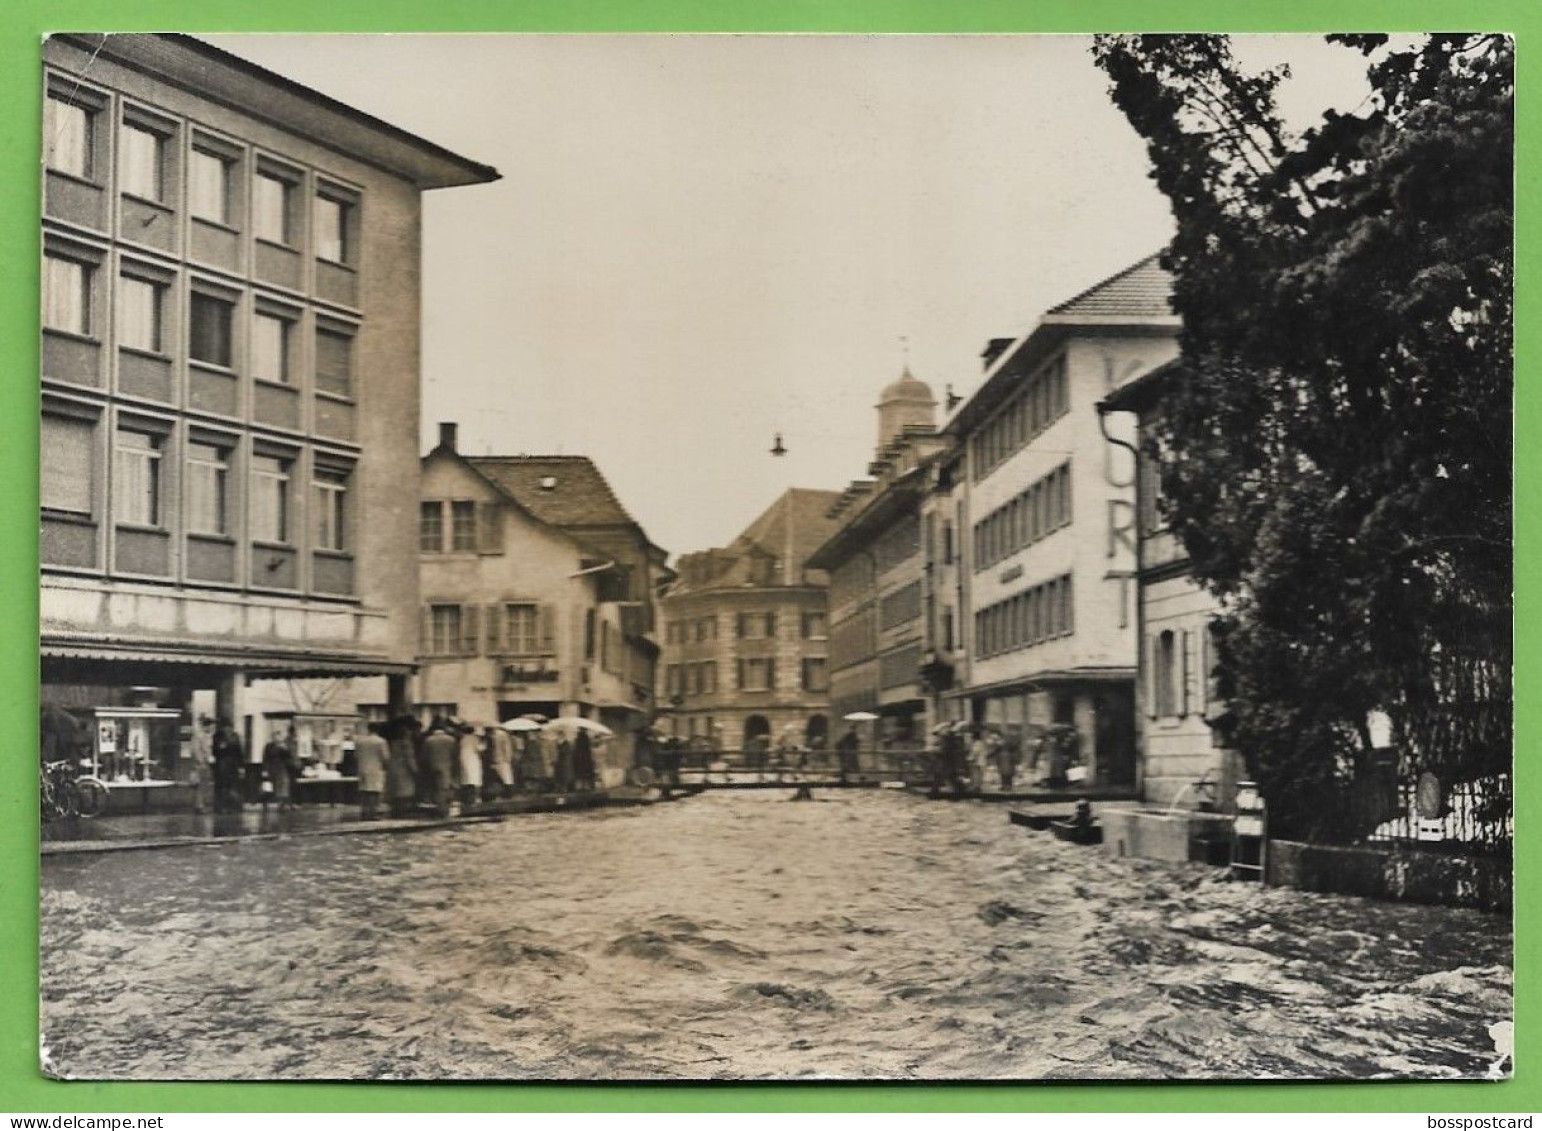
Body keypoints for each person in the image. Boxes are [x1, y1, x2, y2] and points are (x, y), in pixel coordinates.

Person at [385, 717, 419, 818]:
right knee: (404, 794)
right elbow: (410, 759)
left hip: (393, 769)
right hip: (404, 771)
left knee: (395, 793)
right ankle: (401, 814)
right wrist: (416, 771)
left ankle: (395, 812)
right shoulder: (407, 743)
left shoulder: (393, 743)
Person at [421, 721, 457, 818]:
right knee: (443, 789)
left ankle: (438, 809)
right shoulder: (451, 740)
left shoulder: (428, 740)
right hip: (446, 767)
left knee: (435, 789)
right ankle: (443, 811)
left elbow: (424, 756)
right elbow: (454, 755)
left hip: (432, 767)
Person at [354, 722, 389, 820]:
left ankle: (364, 811)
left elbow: (356, 756)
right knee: (375, 791)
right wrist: (386, 767)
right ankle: (373, 812)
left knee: (364, 791)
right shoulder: (380, 742)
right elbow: (385, 757)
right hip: (376, 769)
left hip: (362, 769)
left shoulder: (360, 741)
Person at [212, 718, 244, 813]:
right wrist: (241, 766)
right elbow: (239, 752)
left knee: (223, 786)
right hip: (230, 764)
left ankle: (223, 807)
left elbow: (215, 751)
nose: (228, 730)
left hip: (223, 764)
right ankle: (231, 807)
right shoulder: (234, 736)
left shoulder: (218, 736)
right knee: (230, 786)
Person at [262, 727, 297, 811]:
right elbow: (265, 758)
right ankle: (265, 803)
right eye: (275, 736)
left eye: (278, 736)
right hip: (272, 768)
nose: (277, 738)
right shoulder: (269, 746)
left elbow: (288, 756)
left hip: (281, 768)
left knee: (283, 786)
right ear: (273, 737)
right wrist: (265, 770)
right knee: (271, 788)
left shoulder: (282, 746)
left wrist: (285, 748)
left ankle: (281, 805)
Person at [188, 715, 215, 814]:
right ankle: (199, 805)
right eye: (211, 726)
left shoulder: (206, 736)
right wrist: (201, 761)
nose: (212, 728)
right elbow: (196, 750)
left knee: (204, 785)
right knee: (200, 785)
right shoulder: (199, 736)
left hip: (205, 763)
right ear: (206, 726)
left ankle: (200, 804)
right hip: (201, 764)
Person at [456, 723, 483, 813]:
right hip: (472, 760)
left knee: (466, 780)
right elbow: (479, 748)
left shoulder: (462, 739)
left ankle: (465, 800)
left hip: (463, 760)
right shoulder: (474, 739)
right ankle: (475, 799)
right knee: (474, 780)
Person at [487, 725, 514, 800]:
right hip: (500, 759)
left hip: (501, 759)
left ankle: (506, 794)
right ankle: (505, 794)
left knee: (504, 777)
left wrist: (508, 757)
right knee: (504, 777)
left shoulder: (500, 735)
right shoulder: (496, 735)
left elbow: (506, 747)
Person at [994, 728, 1020, 793]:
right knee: (1008, 776)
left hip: (1004, 767)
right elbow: (1014, 761)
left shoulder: (1001, 753)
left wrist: (998, 765)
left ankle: (1004, 786)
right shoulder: (1010, 754)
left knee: (1004, 776)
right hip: (1009, 767)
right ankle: (1008, 786)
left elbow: (998, 760)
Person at [572, 727, 597, 792]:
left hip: (579, 759)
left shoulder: (577, 738)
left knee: (580, 773)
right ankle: (586, 787)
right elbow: (589, 750)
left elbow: (575, 750)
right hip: (585, 759)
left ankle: (580, 787)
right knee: (586, 773)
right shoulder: (587, 738)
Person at [968, 729, 990, 794]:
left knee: (976, 774)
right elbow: (985, 752)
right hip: (982, 761)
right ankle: (978, 787)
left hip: (977, 762)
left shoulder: (977, 743)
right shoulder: (982, 743)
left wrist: (970, 758)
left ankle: (976, 787)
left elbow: (975, 752)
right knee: (980, 775)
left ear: (974, 737)